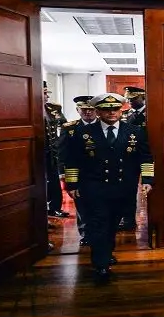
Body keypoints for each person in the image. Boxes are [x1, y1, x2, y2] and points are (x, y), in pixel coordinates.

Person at [62, 93, 154, 283]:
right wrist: (72, 184)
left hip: (123, 187)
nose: (111, 113)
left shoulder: (135, 131)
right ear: (98, 111)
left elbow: (145, 157)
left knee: (112, 224)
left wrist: (147, 180)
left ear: (121, 110)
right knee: (98, 225)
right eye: (106, 109)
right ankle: (101, 264)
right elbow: (72, 160)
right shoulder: (81, 132)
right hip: (94, 188)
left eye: (115, 109)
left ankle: (106, 251)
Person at [58, 95, 98, 247]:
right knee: (82, 204)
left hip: (100, 172)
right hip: (79, 173)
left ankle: (101, 233)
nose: (88, 113)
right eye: (84, 110)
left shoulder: (104, 125)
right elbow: (62, 153)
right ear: (78, 110)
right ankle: (86, 233)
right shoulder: (69, 128)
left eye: (91, 109)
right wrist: (63, 174)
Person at [118, 86, 147, 232]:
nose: (130, 101)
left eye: (133, 98)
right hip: (129, 157)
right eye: (128, 99)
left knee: (150, 187)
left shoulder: (151, 113)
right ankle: (128, 220)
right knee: (128, 189)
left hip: (147, 156)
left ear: (143, 98)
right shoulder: (125, 114)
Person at [42, 83, 69, 220]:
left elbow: (64, 125)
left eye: (47, 93)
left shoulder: (53, 108)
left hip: (52, 150)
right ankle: (42, 212)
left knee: (53, 180)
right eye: (44, 93)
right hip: (36, 150)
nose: (47, 96)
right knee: (39, 182)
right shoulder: (26, 107)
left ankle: (55, 208)